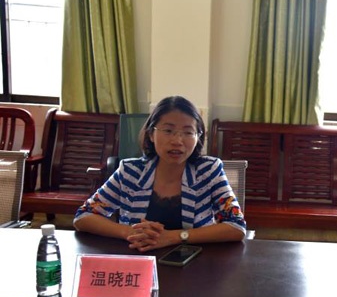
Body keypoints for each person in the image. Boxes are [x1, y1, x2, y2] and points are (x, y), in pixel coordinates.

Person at [74, 96, 246, 251]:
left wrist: (175, 237)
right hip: (139, 261)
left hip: (193, 264)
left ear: (198, 137)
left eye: (188, 132)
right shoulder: (130, 172)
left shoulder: (208, 171)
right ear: (151, 134)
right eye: (168, 131)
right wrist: (129, 232)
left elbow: (236, 226)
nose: (177, 141)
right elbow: (84, 216)